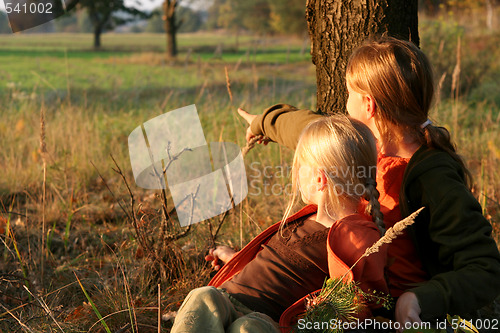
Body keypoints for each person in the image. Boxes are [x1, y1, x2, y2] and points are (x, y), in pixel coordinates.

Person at [237, 36, 500, 328]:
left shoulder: (432, 176)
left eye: (348, 93)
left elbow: (485, 269)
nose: (344, 103)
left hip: (392, 317)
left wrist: (420, 300)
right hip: (342, 299)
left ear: (368, 104)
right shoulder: (360, 144)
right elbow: (308, 127)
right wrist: (264, 121)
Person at [171, 115, 389, 333]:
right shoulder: (304, 217)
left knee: (249, 328)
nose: (295, 175)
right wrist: (235, 259)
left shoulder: (356, 236)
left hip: (270, 321)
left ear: (319, 179)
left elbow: (363, 302)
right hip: (228, 298)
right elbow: (278, 263)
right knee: (203, 295)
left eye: (299, 168)